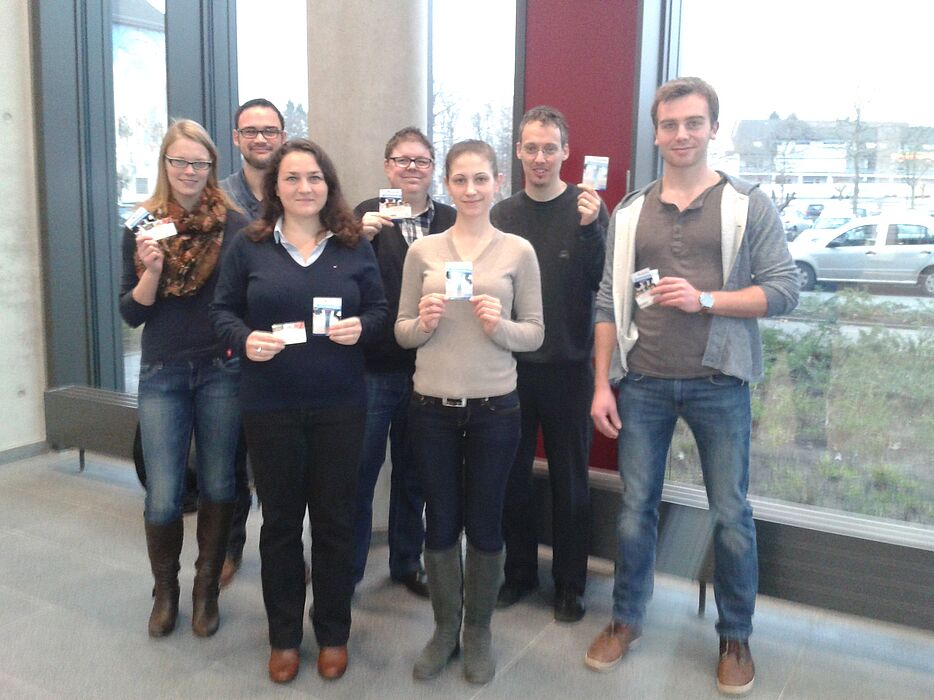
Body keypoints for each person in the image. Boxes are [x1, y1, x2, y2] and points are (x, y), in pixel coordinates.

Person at [584, 77, 799, 695]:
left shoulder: (747, 204)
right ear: (656, 133)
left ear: (713, 128)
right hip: (643, 382)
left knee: (731, 514)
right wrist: (602, 384)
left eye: (693, 123)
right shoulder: (631, 212)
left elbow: (784, 290)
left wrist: (705, 299)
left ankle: (735, 636)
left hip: (718, 382)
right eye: (670, 124)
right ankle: (626, 620)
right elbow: (608, 300)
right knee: (635, 510)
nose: (681, 134)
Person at [211, 139, 387, 684]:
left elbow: (379, 308)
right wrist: (244, 339)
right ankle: (284, 636)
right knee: (282, 525)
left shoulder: (353, 245)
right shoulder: (250, 245)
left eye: (314, 177)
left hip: (340, 406)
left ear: (328, 185)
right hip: (271, 406)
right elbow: (222, 312)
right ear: (275, 187)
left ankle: (333, 632)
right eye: (292, 178)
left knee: (335, 522)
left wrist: (363, 327)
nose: (304, 187)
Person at [395, 140, 544, 684]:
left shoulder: (518, 251)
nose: (471, 189)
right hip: (431, 408)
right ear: (447, 185)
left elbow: (535, 333)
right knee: (440, 521)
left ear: (498, 182)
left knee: (484, 521)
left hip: (495, 409)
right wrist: (424, 323)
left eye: (481, 179)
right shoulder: (423, 251)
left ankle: (477, 630)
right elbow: (402, 331)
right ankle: (443, 629)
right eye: (460, 180)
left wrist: (498, 327)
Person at [119, 119, 248, 639]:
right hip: (163, 371)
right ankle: (166, 592)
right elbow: (132, 313)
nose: (190, 171)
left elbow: (244, 300)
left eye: (199, 162)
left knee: (220, 482)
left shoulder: (235, 226)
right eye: (180, 162)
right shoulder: (142, 224)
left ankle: (205, 591)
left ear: (212, 166)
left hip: (221, 369)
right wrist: (151, 271)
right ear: (165, 164)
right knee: (164, 492)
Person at [491, 106, 607, 622]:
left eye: (550, 148)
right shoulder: (502, 215)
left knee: (570, 481)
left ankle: (570, 585)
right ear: (518, 152)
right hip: (510, 366)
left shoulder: (588, 209)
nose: (540, 158)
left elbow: (599, 282)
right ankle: (519, 573)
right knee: (512, 478)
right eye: (531, 148)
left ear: (566, 152)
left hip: (568, 367)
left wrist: (589, 227)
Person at [352, 127, 456, 598]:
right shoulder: (363, 217)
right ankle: (347, 569)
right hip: (375, 367)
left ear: (433, 169)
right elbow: (338, 278)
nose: (412, 168)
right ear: (387, 166)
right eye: (402, 160)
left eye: (421, 160)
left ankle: (406, 563)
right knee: (361, 471)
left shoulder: (451, 220)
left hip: (431, 368)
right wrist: (356, 240)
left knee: (415, 474)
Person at [217, 97, 287, 588]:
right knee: (230, 457)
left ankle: (286, 554)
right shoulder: (219, 199)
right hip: (234, 347)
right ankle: (230, 549)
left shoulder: (298, 191)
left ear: (283, 136)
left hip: (290, 347)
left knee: (283, 465)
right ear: (236, 138)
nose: (260, 139)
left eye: (269, 130)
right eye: (250, 131)